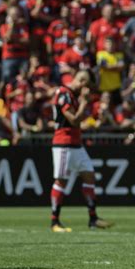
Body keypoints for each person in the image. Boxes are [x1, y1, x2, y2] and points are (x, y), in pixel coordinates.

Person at [50, 70, 113, 233]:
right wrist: (84, 102)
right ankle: (54, 221)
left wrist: (93, 123)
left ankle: (93, 218)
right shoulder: (63, 93)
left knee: (89, 175)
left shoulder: (71, 95)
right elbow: (73, 119)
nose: (87, 91)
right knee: (61, 181)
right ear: (83, 82)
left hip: (75, 142)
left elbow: (77, 123)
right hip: (63, 143)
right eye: (87, 86)